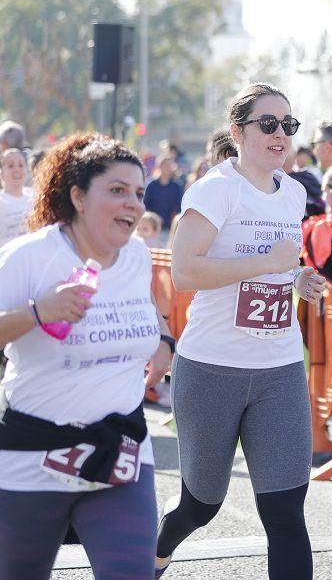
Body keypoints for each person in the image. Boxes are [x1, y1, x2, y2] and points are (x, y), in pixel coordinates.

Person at [155, 83, 327, 580]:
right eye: (267, 124)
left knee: (286, 511)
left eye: (287, 125)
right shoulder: (215, 189)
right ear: (238, 132)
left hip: (279, 368)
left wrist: (298, 278)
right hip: (212, 368)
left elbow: (280, 266)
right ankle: (159, 544)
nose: (280, 134)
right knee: (201, 503)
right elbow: (184, 271)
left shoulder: (293, 193)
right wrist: (263, 264)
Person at [0, 133, 172, 579]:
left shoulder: (137, 255)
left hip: (121, 451)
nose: (133, 203)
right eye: (117, 190)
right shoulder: (30, 258)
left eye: (138, 192)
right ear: (77, 196)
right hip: (34, 457)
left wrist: (164, 340)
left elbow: (149, 309)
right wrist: (39, 312)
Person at [0, 148, 34, 248]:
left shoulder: (36, 196)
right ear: (1, 174)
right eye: (11, 166)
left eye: (21, 165)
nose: (17, 169)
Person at [143, 155, 184, 233]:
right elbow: (146, 205)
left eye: (170, 165)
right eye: (166, 165)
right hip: (152, 228)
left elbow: (179, 206)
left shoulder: (177, 186)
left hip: (170, 229)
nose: (168, 168)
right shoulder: (151, 185)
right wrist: (154, 218)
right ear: (160, 166)